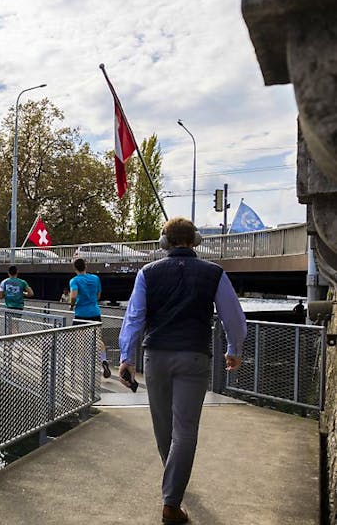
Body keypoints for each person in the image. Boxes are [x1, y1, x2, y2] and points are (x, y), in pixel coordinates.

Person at [118, 217, 246, 524]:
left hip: (155, 357)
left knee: (163, 428)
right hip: (193, 357)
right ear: (196, 241)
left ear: (164, 243)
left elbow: (134, 317)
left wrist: (126, 357)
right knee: (185, 430)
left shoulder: (147, 273)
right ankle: (171, 500)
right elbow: (234, 318)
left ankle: (172, 488)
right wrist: (234, 350)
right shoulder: (214, 273)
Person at [69, 258, 108, 378]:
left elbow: (74, 295)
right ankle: (103, 360)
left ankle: (84, 366)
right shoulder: (95, 278)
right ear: (86, 267)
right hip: (95, 312)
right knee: (98, 340)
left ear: (75, 268)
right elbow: (98, 295)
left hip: (81, 314)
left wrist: (71, 305)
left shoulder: (74, 280)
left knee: (80, 340)